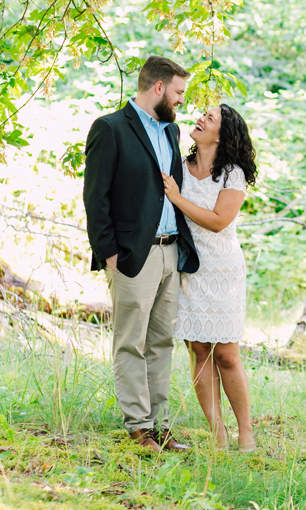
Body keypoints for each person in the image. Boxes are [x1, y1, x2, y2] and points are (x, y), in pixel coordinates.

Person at [83, 55, 200, 453]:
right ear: (158, 88)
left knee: (161, 342)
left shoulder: (172, 132)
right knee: (130, 342)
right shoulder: (110, 128)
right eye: (179, 92)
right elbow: (95, 197)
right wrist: (109, 252)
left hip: (170, 253)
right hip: (133, 255)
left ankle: (160, 426)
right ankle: (138, 427)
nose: (182, 100)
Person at [161, 104, 257, 452]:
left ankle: (246, 432)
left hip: (223, 270)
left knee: (227, 354)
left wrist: (177, 198)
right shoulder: (180, 168)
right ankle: (218, 434)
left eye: (210, 118)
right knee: (199, 350)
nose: (200, 119)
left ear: (223, 133)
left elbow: (219, 220)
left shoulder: (232, 174)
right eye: (202, 115)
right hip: (189, 267)